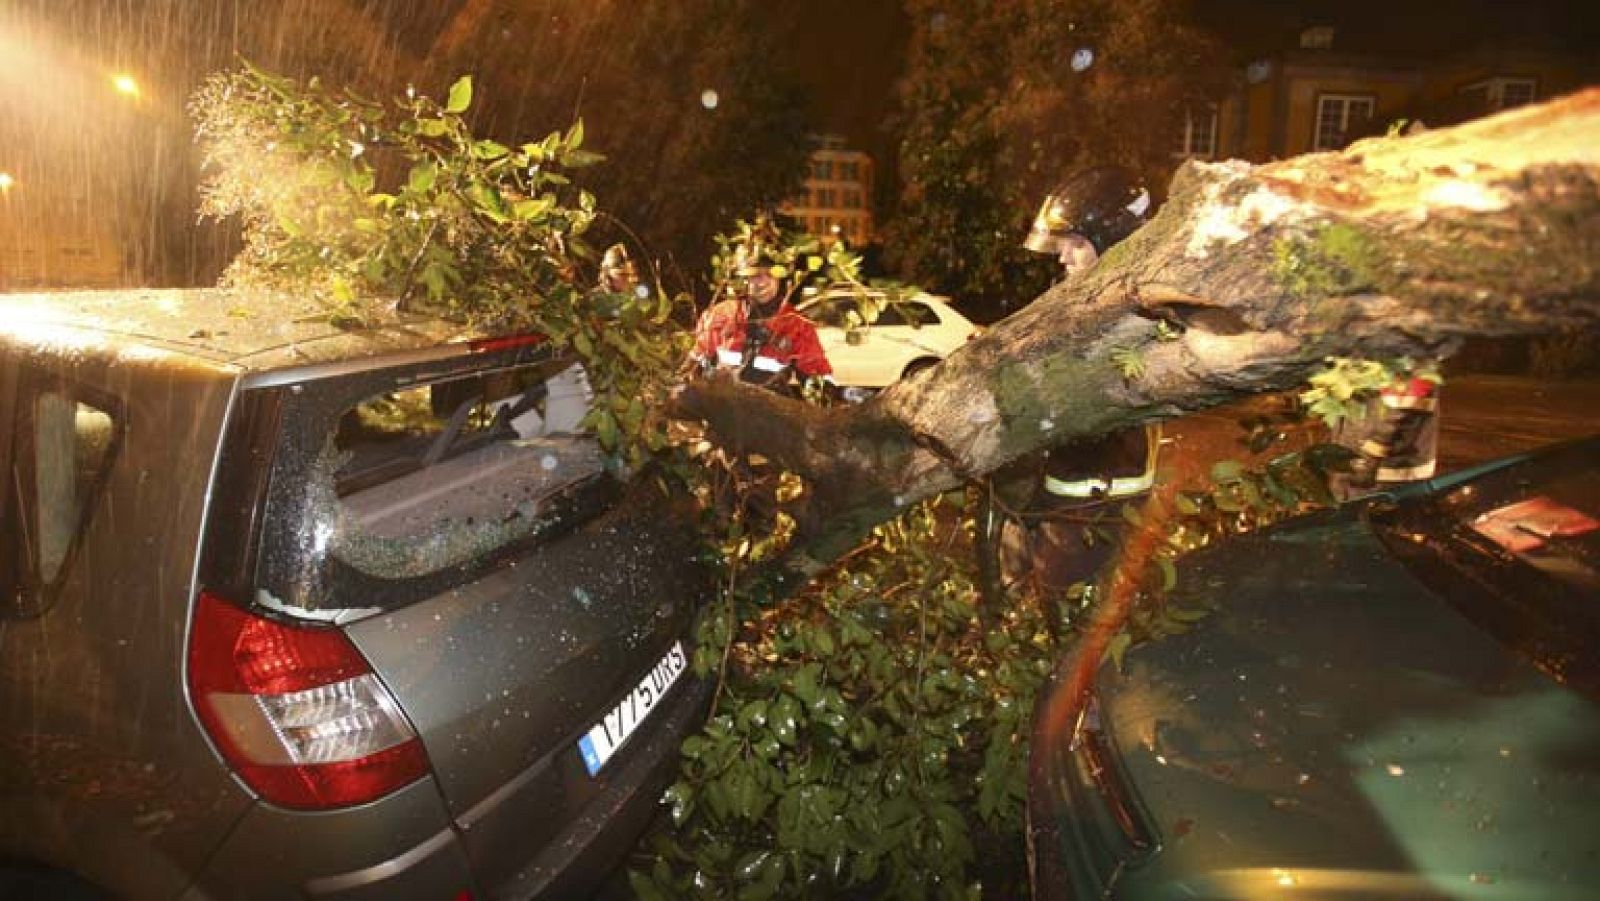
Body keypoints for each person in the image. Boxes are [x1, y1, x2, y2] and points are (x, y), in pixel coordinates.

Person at [993, 166, 1162, 598]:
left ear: (1115, 245)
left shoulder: (1133, 315)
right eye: (1063, 245)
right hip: (1059, 498)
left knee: (1065, 616)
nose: (1063, 257)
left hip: (1094, 511)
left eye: (1077, 245)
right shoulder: (1081, 300)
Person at [689, 231, 835, 395]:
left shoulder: (796, 324)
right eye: (755, 276)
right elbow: (693, 366)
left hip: (770, 412)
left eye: (770, 274)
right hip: (723, 408)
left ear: (780, 277)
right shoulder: (720, 315)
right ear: (743, 279)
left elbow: (816, 375)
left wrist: (836, 395)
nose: (763, 283)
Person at [1331, 368, 1441, 499]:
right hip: (1360, 463)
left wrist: (1367, 461)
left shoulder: (1407, 356)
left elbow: (1404, 406)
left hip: (1385, 473)